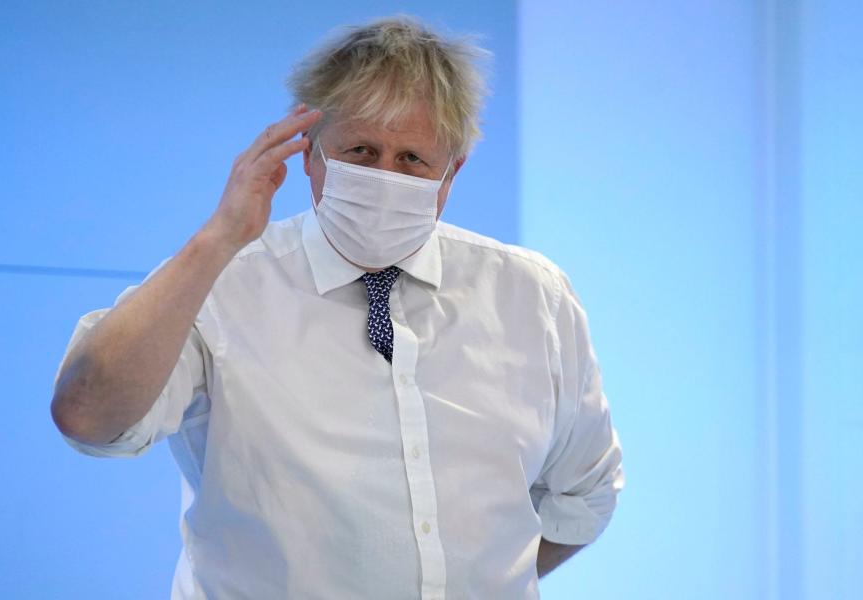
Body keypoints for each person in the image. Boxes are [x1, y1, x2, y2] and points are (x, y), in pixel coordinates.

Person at [51, 15, 624, 600]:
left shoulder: (533, 297)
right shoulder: (221, 285)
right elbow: (88, 418)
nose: (383, 177)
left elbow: (584, 496)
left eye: (411, 161)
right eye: (360, 150)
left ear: (451, 173)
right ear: (309, 155)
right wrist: (220, 237)